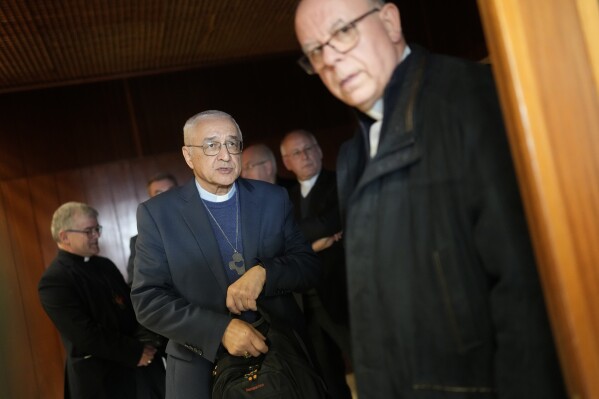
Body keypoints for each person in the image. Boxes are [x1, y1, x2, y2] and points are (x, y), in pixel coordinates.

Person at [294, 0, 567, 398]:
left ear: (389, 22)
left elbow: (526, 286)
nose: (331, 59)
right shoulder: (352, 153)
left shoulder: (468, 98)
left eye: (342, 32)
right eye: (315, 51)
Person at [130, 110, 322, 398]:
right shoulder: (159, 214)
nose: (225, 155)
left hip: (281, 358)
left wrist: (265, 273)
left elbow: (308, 266)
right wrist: (219, 330)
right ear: (188, 156)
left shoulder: (272, 199)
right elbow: (148, 300)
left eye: (233, 144)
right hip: (200, 368)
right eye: (211, 145)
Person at [38, 201, 165, 399]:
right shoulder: (54, 281)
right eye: (89, 231)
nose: (96, 235)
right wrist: (134, 352)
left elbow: (131, 309)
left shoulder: (105, 265)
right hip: (102, 381)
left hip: (141, 370)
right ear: (64, 237)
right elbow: (85, 335)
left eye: (97, 229)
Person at [280, 129, 352, 399]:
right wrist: (313, 244)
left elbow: (329, 222)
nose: (305, 156)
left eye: (309, 148)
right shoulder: (284, 198)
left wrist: (296, 237)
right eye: (296, 153)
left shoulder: (341, 182)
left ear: (320, 151)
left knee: (367, 363)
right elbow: (280, 242)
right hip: (304, 303)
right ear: (286, 162)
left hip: (342, 293)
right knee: (328, 380)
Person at [126, 172, 178, 285]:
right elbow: (136, 283)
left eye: (170, 191)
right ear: (151, 200)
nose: (166, 197)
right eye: (159, 193)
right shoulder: (139, 241)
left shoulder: (204, 224)